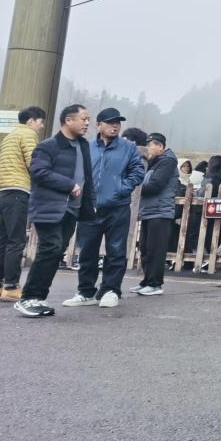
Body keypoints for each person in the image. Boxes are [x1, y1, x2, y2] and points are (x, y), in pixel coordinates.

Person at [13, 105, 96, 319]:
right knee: (49, 248)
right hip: (49, 207)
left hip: (72, 209)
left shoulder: (83, 146)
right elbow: (39, 171)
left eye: (88, 119)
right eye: (84, 119)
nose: (87, 123)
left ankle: (38, 298)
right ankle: (28, 298)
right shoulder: (48, 146)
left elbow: (87, 178)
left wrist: (90, 203)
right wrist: (68, 185)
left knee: (56, 251)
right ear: (68, 120)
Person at [63, 108, 144, 311]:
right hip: (89, 207)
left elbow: (137, 171)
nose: (115, 125)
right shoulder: (86, 147)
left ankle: (110, 290)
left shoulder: (128, 148)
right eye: (109, 122)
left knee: (116, 250)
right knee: (87, 251)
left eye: (117, 122)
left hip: (117, 207)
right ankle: (85, 292)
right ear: (98, 125)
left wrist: (122, 189)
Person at [0, 105, 45, 302]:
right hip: (18, 191)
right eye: (40, 121)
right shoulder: (28, 135)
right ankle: (11, 287)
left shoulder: (10, 136)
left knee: (2, 240)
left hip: (3, 192)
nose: (42, 126)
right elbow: (33, 163)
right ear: (31, 120)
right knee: (16, 241)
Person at [133, 133, 178, 296]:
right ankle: (146, 281)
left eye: (150, 145)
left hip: (160, 211)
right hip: (148, 210)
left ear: (160, 147)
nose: (147, 149)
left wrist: (135, 189)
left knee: (156, 249)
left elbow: (155, 185)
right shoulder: (152, 162)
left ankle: (155, 283)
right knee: (145, 248)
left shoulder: (168, 161)